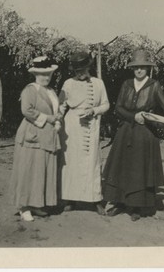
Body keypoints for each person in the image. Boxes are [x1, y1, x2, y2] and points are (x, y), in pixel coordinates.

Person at [102, 49, 164, 221]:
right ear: (132, 69)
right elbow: (118, 109)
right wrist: (134, 116)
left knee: (139, 169)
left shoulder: (154, 85)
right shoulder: (126, 84)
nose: (139, 70)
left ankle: (136, 207)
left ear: (148, 69)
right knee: (122, 167)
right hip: (126, 131)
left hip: (145, 134)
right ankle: (119, 203)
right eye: (136, 67)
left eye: (143, 67)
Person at [8, 56, 62, 222]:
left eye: (48, 74)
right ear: (35, 75)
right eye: (42, 74)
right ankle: (24, 207)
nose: (46, 77)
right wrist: (48, 118)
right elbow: (27, 110)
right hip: (33, 134)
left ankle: (36, 204)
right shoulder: (30, 90)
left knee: (41, 171)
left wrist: (58, 116)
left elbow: (55, 110)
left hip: (48, 135)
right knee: (29, 170)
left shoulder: (51, 91)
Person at [58, 51, 110, 215]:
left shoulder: (98, 83)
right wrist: (58, 119)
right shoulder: (67, 84)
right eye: (76, 70)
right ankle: (70, 198)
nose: (80, 73)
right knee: (71, 163)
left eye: (83, 69)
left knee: (91, 162)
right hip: (72, 126)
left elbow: (106, 104)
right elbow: (61, 105)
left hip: (91, 125)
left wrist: (94, 110)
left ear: (89, 68)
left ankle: (95, 200)